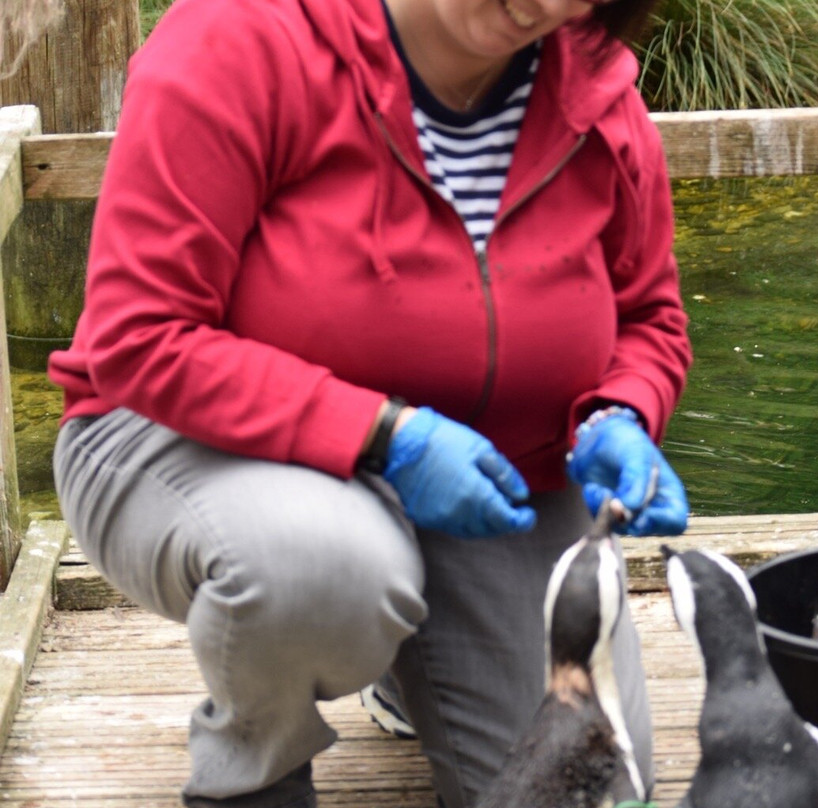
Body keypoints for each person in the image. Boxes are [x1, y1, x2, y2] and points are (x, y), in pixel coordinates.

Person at [47, 0, 692, 803]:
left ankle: (404, 668)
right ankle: (256, 770)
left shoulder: (593, 87)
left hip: (489, 477)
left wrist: (621, 411)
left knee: (583, 791)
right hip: (182, 435)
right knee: (322, 568)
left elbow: (649, 315)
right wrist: (389, 435)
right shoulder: (239, 37)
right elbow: (140, 334)